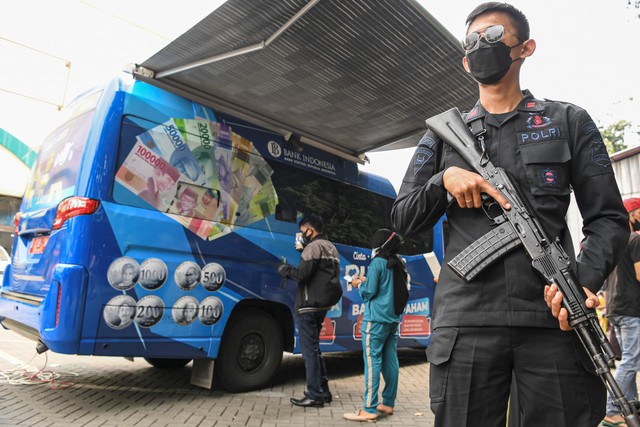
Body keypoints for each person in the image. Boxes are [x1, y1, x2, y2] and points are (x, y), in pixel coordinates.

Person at [391, 3, 628, 426]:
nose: (483, 45)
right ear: (465, 61)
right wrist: (442, 181)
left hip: (552, 320)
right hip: (466, 323)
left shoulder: (568, 121)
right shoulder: (442, 136)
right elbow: (403, 218)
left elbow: (608, 218)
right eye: (473, 41)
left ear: (526, 47)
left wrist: (580, 280)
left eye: (495, 35)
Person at [343, 229, 409, 423]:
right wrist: (367, 281)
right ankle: (388, 403)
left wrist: (358, 284)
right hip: (392, 319)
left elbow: (370, 292)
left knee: (372, 361)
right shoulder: (397, 263)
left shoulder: (377, 263)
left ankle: (369, 408)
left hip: (375, 320)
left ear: (379, 245)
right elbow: (385, 287)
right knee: (391, 360)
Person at [277, 214, 342, 408]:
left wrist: (285, 269)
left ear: (310, 230)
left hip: (308, 304)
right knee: (315, 348)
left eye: (303, 230)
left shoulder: (312, 248)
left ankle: (315, 395)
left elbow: (303, 275)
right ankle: (324, 391)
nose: (301, 233)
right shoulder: (330, 247)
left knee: (309, 351)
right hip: (322, 304)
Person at [602, 198, 640, 427]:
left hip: (615, 307)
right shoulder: (636, 240)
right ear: (632, 214)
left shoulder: (614, 243)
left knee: (629, 358)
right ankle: (610, 409)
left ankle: (632, 407)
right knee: (631, 361)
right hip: (630, 308)